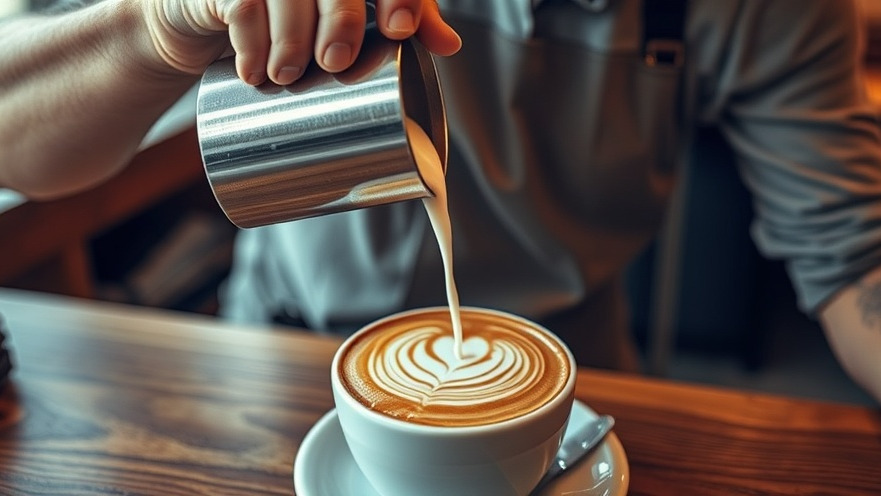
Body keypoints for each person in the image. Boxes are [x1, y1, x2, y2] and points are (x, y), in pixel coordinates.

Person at [3, 1, 881, 404]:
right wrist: (156, 26)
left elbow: (856, 262)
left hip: (574, 373)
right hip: (279, 361)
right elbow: (16, 142)